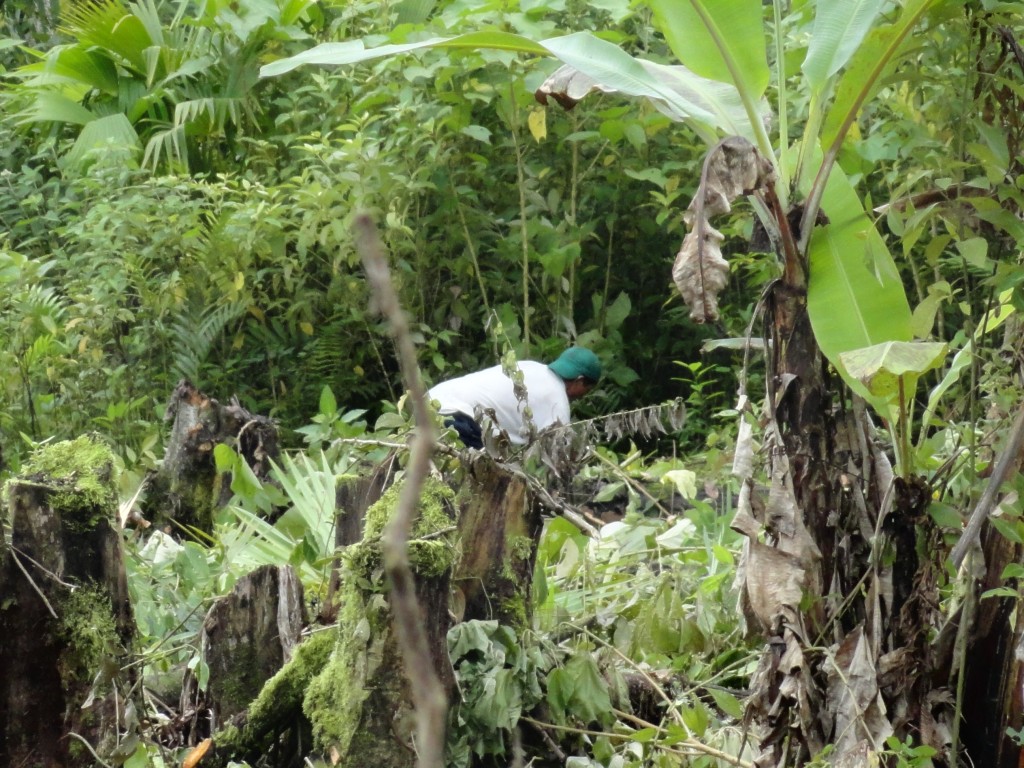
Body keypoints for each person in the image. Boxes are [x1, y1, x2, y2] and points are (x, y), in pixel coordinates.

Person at [428, 346, 601, 449]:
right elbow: (558, 459)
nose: (582, 397)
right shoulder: (558, 402)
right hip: (459, 419)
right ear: (579, 381)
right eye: (587, 389)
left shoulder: (532, 367)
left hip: (429, 403)